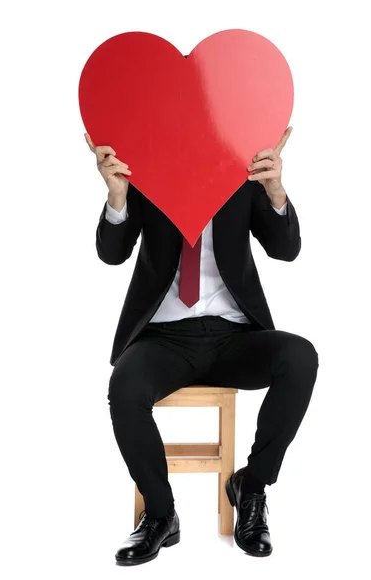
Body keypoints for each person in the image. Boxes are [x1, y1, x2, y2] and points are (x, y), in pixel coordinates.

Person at [85, 88, 319, 565]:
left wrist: (275, 190)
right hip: (164, 337)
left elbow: (286, 250)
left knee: (300, 356)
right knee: (124, 388)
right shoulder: (146, 171)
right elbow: (111, 254)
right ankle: (160, 513)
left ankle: (251, 487)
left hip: (235, 335)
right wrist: (116, 196)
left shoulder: (243, 170)